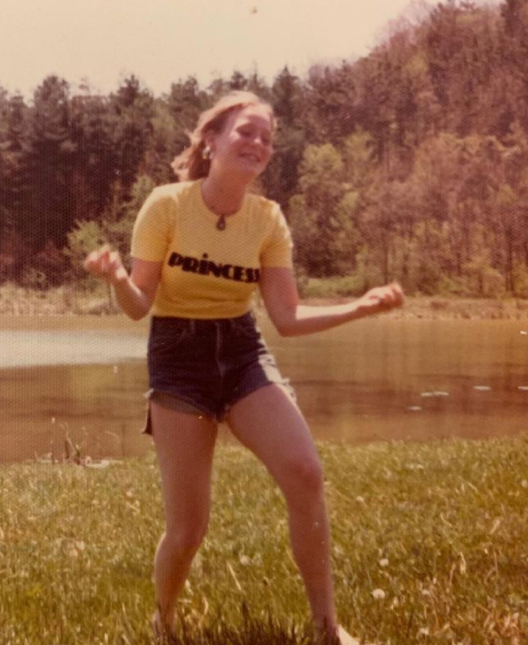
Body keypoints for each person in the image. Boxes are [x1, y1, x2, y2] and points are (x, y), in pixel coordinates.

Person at [84, 91, 404, 643]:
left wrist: (359, 307)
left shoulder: (268, 219)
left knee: (305, 472)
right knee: (188, 529)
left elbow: (287, 317)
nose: (257, 143)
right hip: (177, 359)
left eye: (266, 138)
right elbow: (139, 305)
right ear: (211, 140)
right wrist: (117, 279)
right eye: (245, 132)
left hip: (242, 352)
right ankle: (164, 622)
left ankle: (328, 628)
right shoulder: (166, 205)